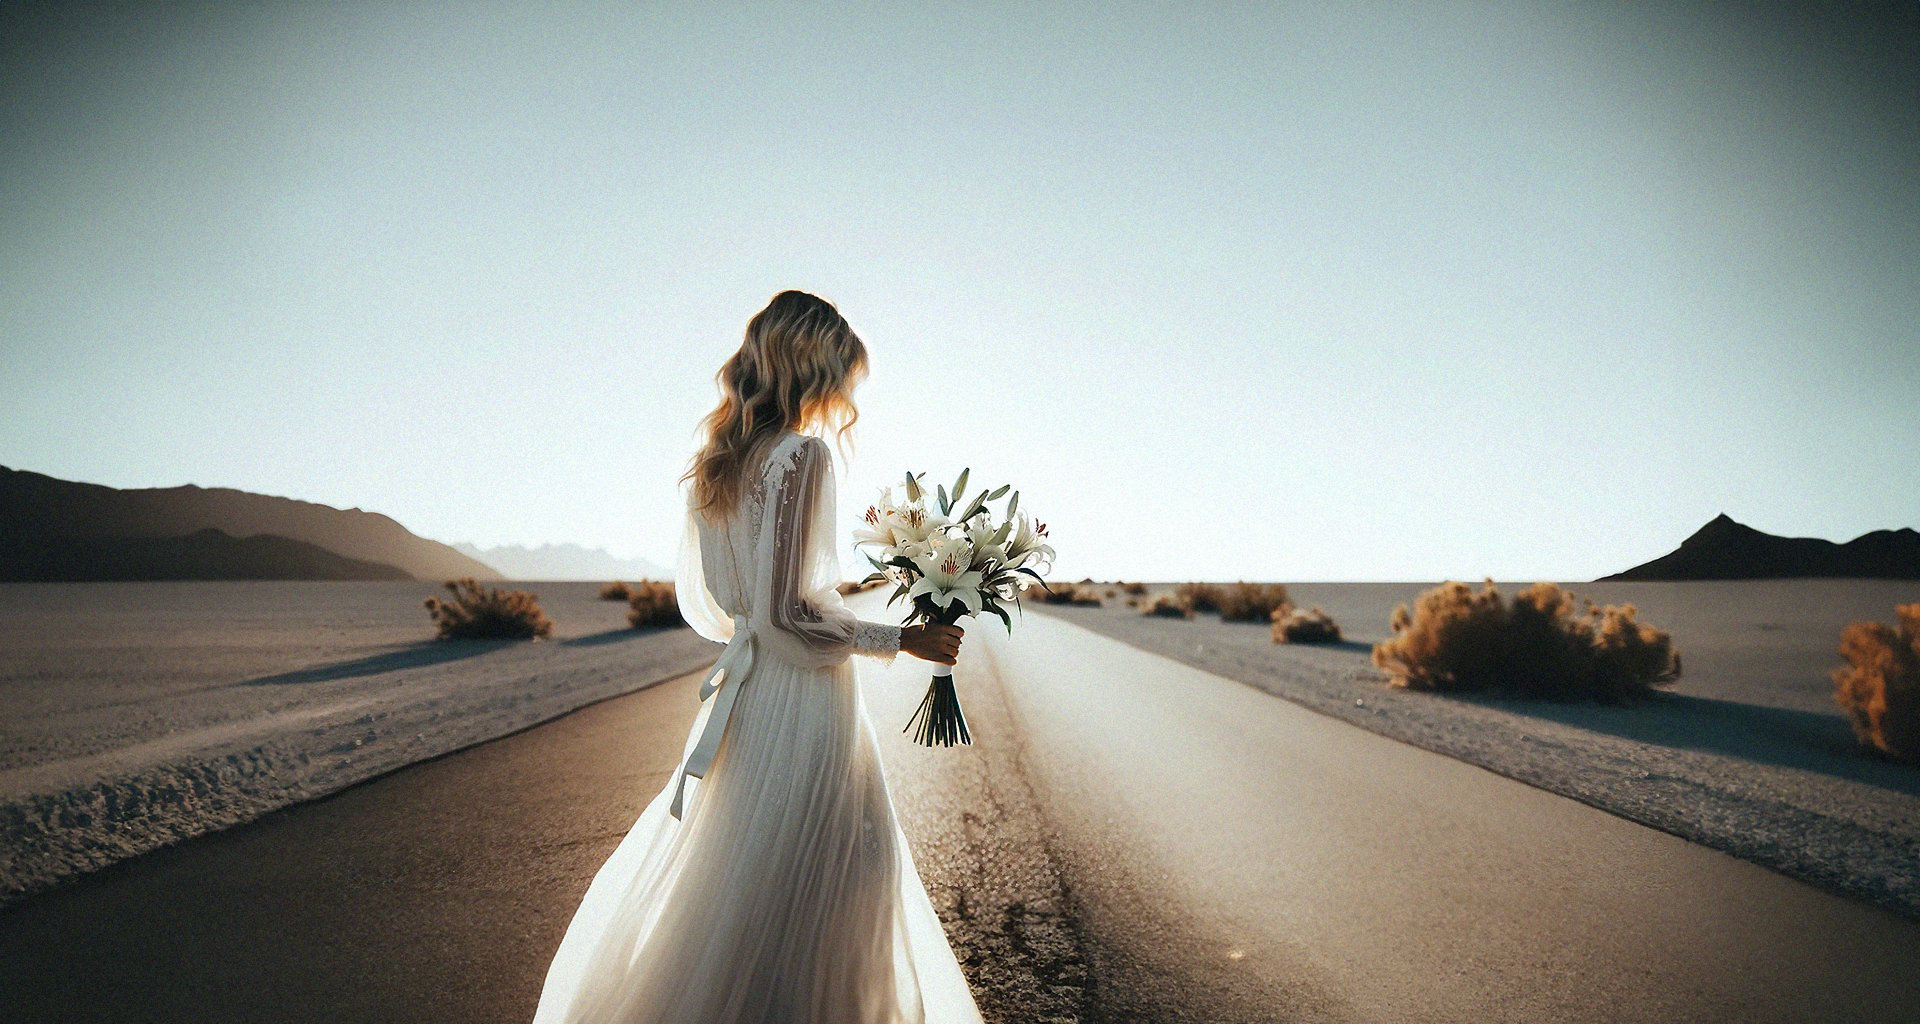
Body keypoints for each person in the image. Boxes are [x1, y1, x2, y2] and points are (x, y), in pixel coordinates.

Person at [530, 290, 982, 1024]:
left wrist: (836, 604)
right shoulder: (801, 458)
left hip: (750, 697)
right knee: (833, 881)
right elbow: (784, 619)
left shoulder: (716, 465)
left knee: (741, 882)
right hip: (803, 703)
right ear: (814, 368)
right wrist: (902, 638)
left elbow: (739, 613)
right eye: (844, 375)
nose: (846, 395)